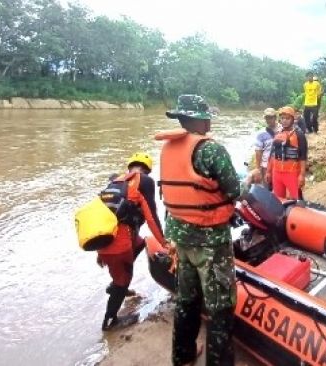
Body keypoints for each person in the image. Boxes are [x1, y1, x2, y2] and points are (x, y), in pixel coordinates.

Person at [160, 95, 240, 366]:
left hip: (181, 240)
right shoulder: (210, 150)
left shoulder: (168, 148)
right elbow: (234, 189)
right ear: (196, 119)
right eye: (205, 118)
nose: (209, 122)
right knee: (220, 308)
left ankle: (181, 356)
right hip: (211, 242)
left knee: (187, 300)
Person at [97, 152, 167, 331]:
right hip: (120, 245)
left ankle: (115, 285)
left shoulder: (117, 182)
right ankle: (110, 321)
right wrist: (165, 243)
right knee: (124, 279)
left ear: (130, 167)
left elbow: (103, 217)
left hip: (103, 241)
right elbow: (151, 217)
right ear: (147, 170)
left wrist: (99, 252)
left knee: (141, 242)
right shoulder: (144, 182)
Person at [266, 106, 308, 200]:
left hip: (292, 173)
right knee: (278, 199)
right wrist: (269, 171)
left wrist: (302, 175)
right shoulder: (277, 133)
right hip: (276, 172)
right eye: (282, 118)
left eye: (287, 118)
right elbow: (272, 155)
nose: (284, 121)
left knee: (296, 199)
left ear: (292, 119)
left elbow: (303, 157)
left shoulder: (299, 135)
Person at [254, 107, 278, 185]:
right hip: (266, 166)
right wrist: (258, 169)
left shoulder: (282, 129)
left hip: (280, 164)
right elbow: (258, 152)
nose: (268, 120)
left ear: (275, 117)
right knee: (267, 187)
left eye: (270, 117)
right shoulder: (260, 134)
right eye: (266, 118)